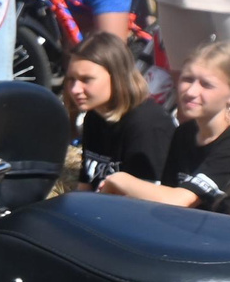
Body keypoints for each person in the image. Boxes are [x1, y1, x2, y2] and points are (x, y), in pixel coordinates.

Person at [99, 41, 230, 208]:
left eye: (206, 85)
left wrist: (119, 179)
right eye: (187, 79)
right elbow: (166, 201)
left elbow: (180, 200)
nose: (191, 92)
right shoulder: (184, 133)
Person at [64, 30, 170, 183]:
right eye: (71, 79)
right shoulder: (94, 117)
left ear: (117, 77)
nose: (74, 89)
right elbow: (86, 185)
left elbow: (151, 200)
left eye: (86, 80)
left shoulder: (148, 125)